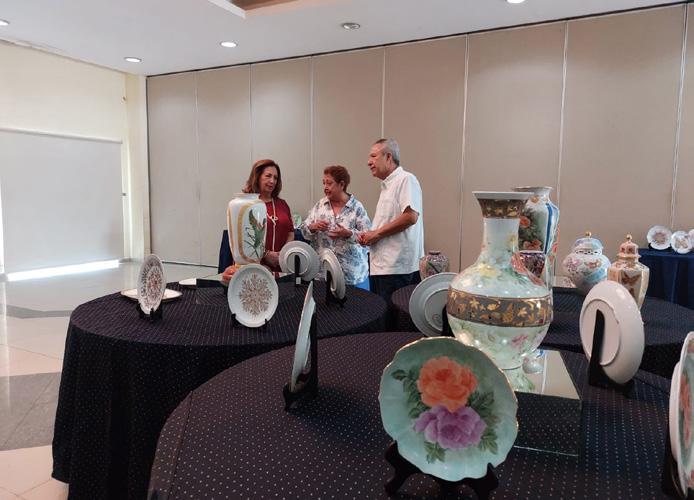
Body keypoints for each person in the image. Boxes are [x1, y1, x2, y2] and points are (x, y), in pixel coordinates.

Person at [357, 138, 424, 304]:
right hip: (383, 268)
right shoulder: (387, 186)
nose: (368, 162)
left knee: (393, 317)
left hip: (398, 270)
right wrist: (370, 236)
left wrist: (376, 234)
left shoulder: (406, 179)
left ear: (388, 157)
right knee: (382, 314)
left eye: (373, 156)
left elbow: (410, 216)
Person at [300, 166, 371, 290]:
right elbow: (304, 230)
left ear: (341, 185)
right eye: (324, 183)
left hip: (351, 276)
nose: (325, 187)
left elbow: (368, 238)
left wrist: (348, 234)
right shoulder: (320, 205)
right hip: (323, 274)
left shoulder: (356, 207)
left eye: (329, 183)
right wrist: (313, 227)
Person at [222, 159, 294, 281]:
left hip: (280, 268)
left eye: (275, 178)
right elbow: (244, 238)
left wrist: (282, 255)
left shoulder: (282, 205)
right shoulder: (245, 205)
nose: (272, 181)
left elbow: (290, 233)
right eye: (268, 176)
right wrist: (266, 254)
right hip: (253, 268)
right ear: (257, 177)